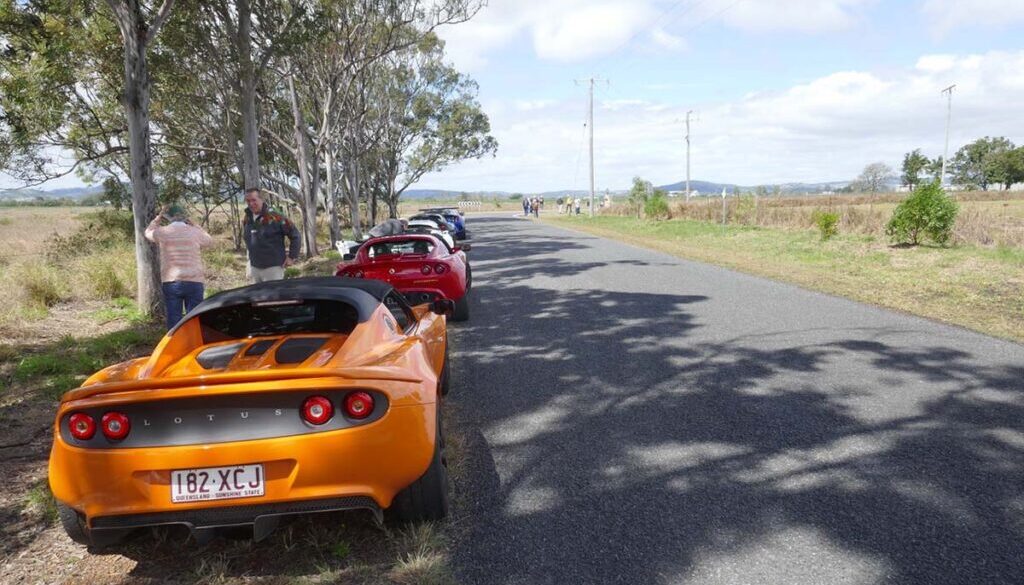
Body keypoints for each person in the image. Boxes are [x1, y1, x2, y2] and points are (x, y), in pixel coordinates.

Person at [145, 204, 214, 330]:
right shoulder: (194, 232)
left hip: (172, 281)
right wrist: (195, 224)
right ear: (185, 217)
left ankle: (175, 346)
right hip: (194, 280)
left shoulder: (163, 232)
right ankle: (194, 346)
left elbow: (148, 233)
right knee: (194, 319)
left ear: (169, 217)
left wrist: (158, 218)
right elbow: (208, 240)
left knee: (174, 318)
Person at [243, 188, 301, 283]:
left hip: (273, 269)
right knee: (256, 297)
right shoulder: (247, 217)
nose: (251, 204)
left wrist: (291, 257)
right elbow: (248, 239)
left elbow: (295, 235)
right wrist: (249, 261)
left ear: (261, 199)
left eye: (254, 200)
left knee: (273, 297)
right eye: (248, 201)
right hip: (254, 267)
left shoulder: (276, 216)